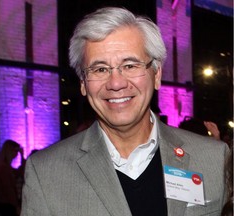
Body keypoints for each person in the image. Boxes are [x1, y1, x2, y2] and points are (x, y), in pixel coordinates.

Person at [21, 7, 229, 216]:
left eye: (130, 66)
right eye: (100, 69)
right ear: (83, 83)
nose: (116, 83)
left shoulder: (214, 159)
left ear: (156, 75)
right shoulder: (46, 173)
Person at [0, 140, 25, 216]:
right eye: (15, 151)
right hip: (7, 205)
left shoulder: (5, 167)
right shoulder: (4, 169)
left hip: (6, 204)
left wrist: (22, 156)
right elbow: (9, 189)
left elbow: (21, 172)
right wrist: (16, 206)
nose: (16, 153)